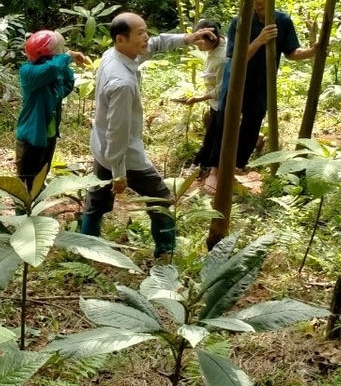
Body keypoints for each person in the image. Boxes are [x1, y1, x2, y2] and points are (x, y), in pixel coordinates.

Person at [79, 13, 215, 260]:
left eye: (145, 31)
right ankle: (166, 253)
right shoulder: (121, 82)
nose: (146, 38)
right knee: (160, 198)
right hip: (123, 154)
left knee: (97, 199)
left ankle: (86, 245)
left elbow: (158, 43)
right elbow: (117, 130)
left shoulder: (114, 54)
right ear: (121, 39)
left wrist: (188, 38)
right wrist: (119, 173)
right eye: (140, 34)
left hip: (102, 147)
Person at [202, 0, 318, 192]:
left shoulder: (282, 21)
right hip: (236, 79)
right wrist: (260, 40)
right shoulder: (241, 21)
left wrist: (313, 51)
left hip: (263, 81)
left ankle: (234, 167)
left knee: (252, 124)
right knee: (225, 122)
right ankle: (215, 171)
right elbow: (237, 58)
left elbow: (292, 53)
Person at [15, 30, 89, 192]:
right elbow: (52, 69)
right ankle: (23, 213)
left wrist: (65, 65)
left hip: (48, 136)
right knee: (25, 184)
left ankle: (36, 211)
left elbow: (66, 85)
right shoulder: (28, 72)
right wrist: (68, 56)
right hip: (31, 137)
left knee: (41, 177)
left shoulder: (51, 75)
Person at [182, 19, 227, 173]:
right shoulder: (213, 50)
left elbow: (222, 90)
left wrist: (198, 98)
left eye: (200, 43)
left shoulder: (222, 59)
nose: (198, 46)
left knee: (216, 137)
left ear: (212, 39)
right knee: (211, 134)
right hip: (214, 103)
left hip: (222, 103)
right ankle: (200, 164)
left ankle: (206, 167)